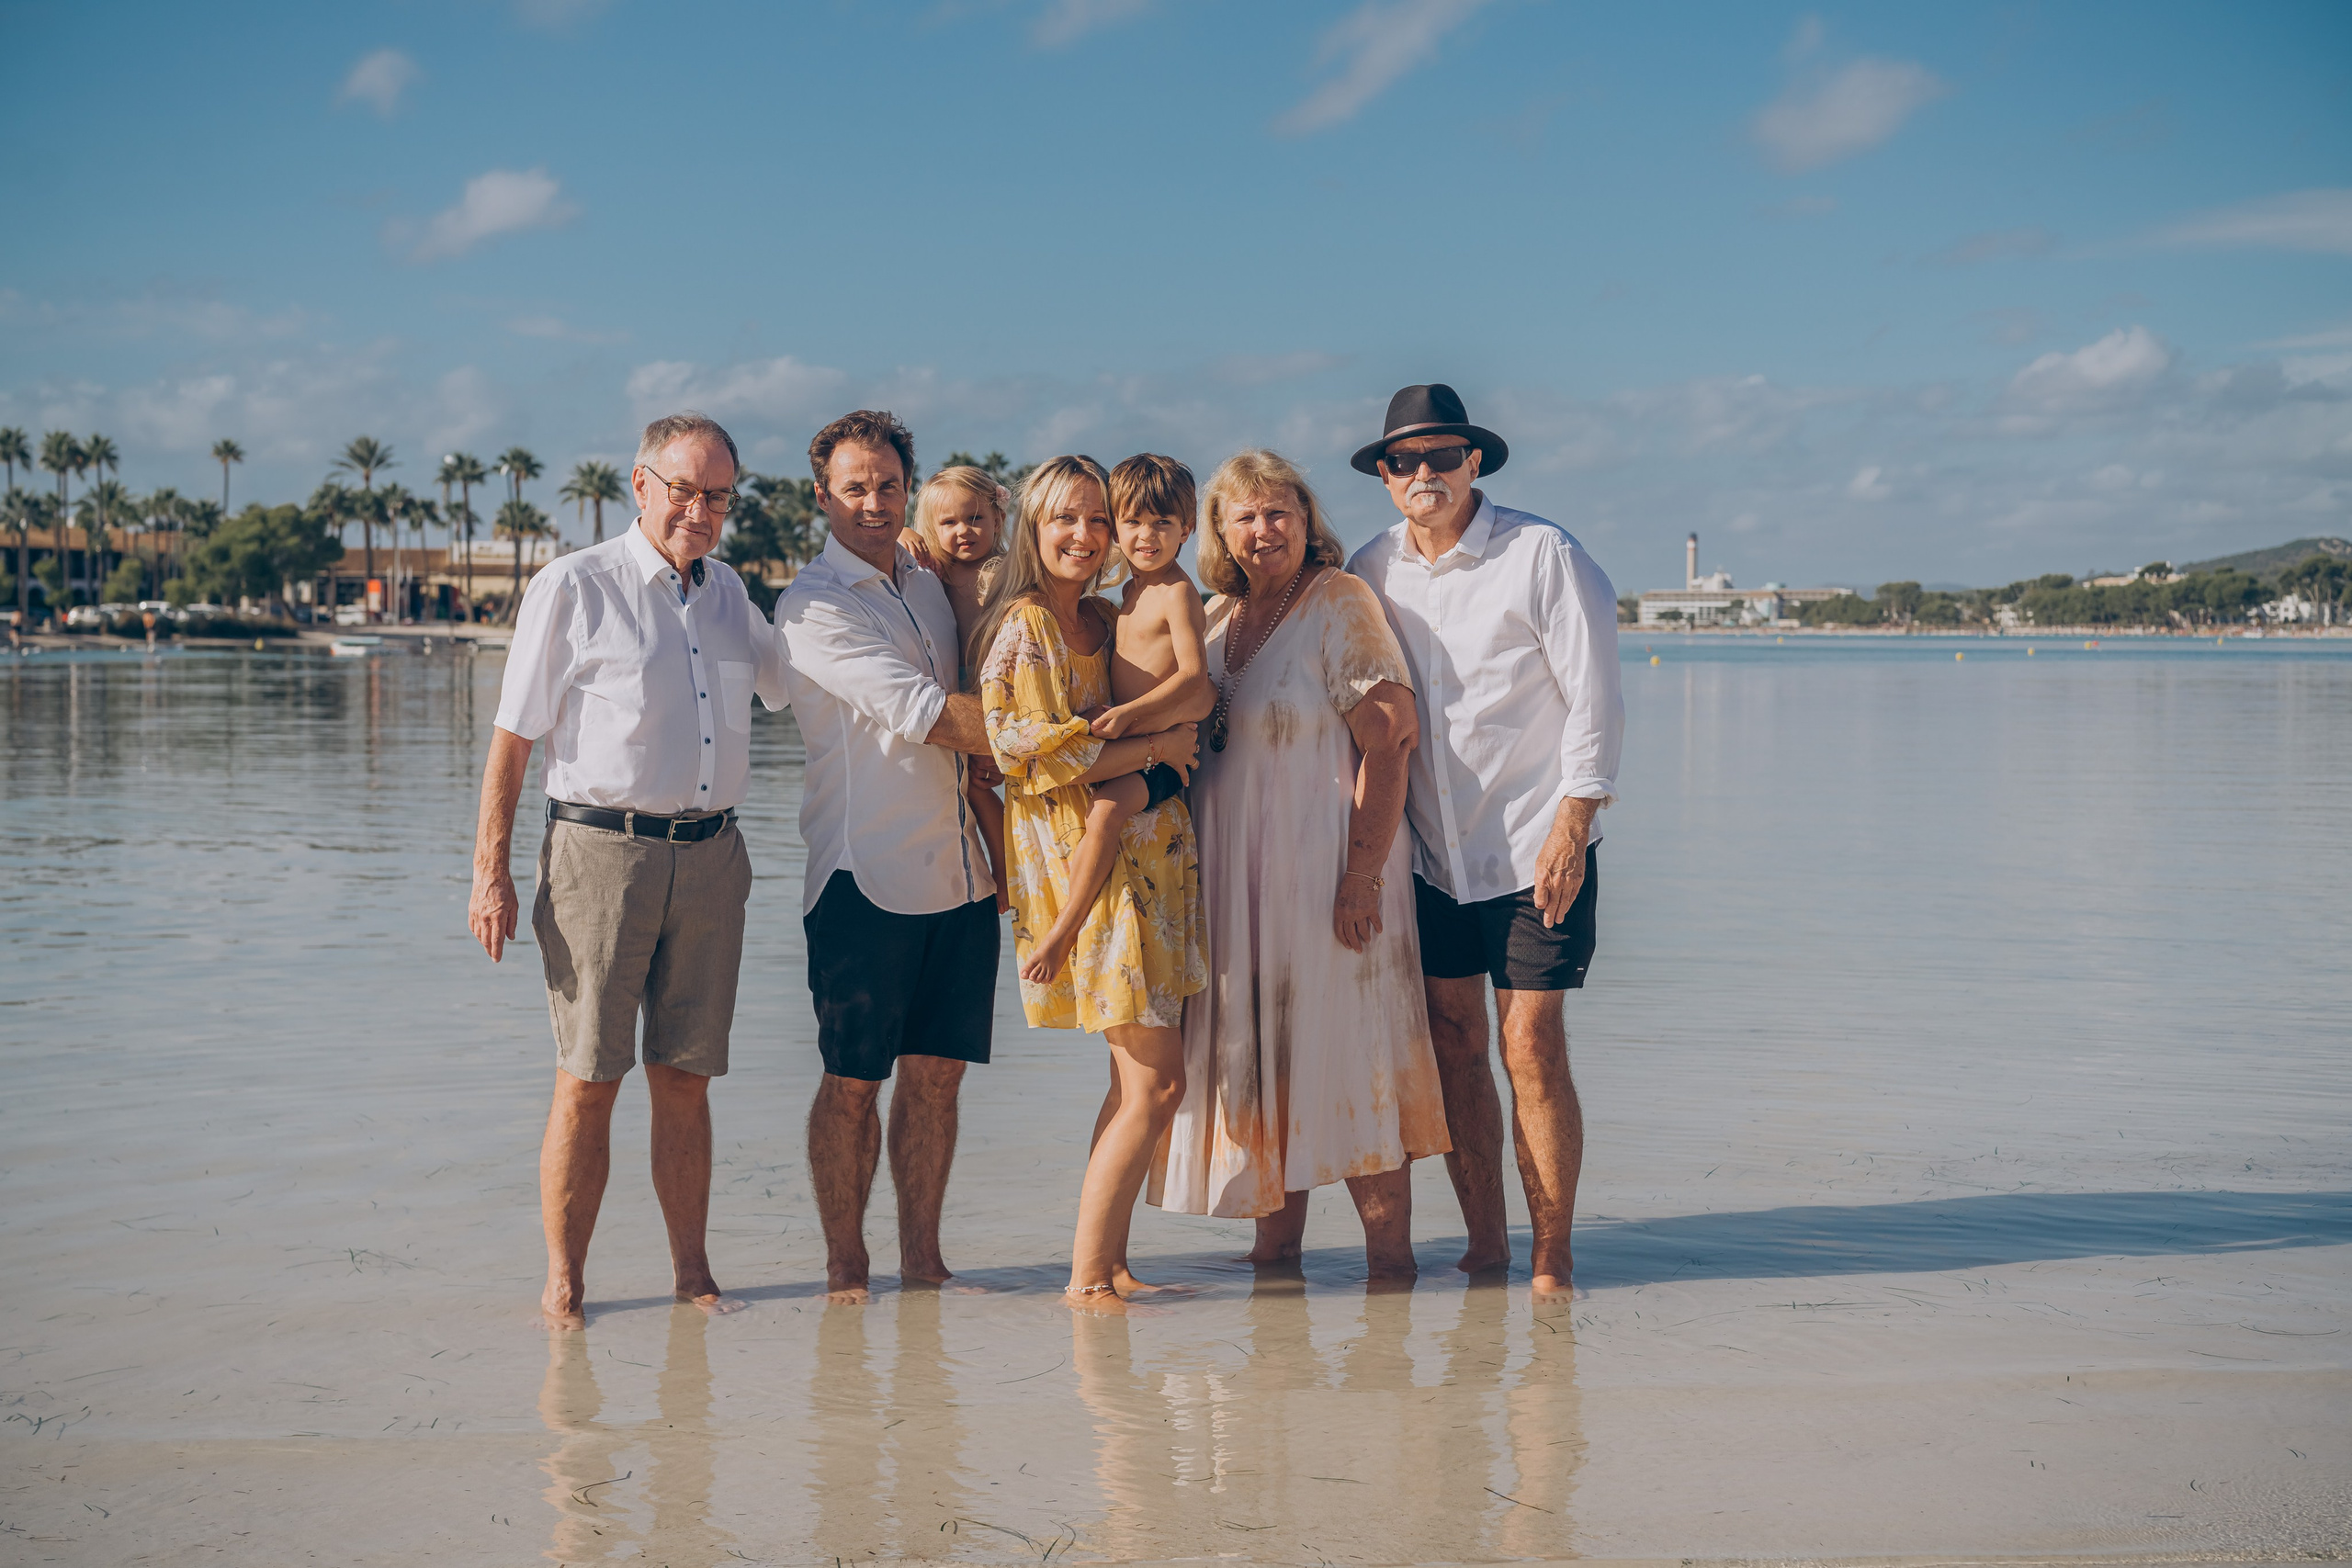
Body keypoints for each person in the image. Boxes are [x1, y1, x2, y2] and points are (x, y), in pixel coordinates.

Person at [467, 410, 786, 1330]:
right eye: (683, 489)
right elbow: (513, 739)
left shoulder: (730, 592)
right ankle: (565, 1282)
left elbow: (795, 680)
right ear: (640, 485)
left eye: (717, 494)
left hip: (714, 859)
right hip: (597, 857)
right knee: (588, 1075)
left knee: (686, 1079)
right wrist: (491, 873)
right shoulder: (574, 585)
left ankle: (692, 1274)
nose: (700, 509)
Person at [1345, 384, 1624, 1298]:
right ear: (1383, 475)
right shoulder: (1369, 568)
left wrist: (1574, 827)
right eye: (1404, 460)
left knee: (1531, 1043)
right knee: (1456, 1040)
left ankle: (1552, 1254)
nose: (1423, 474)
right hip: (1427, 855)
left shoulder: (1541, 554)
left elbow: (1594, 696)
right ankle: (1485, 1247)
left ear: (1474, 462)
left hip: (1533, 842)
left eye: (1442, 457)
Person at [1156, 449, 1448, 1279]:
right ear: (1217, 531)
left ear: (1307, 517)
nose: (1263, 528)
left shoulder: (1338, 601)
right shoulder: (1213, 618)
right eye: (1243, 515)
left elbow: (1391, 734)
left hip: (1329, 885)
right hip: (1239, 897)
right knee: (1266, 1073)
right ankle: (1273, 1295)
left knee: (1353, 1068)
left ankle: (1392, 1282)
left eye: (1278, 510)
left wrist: (1360, 876)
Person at [775, 410, 1001, 1304]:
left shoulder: (933, 582)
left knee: (938, 1081)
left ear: (910, 487)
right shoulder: (812, 609)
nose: (872, 502)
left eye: (888, 485)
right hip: (861, 879)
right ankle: (845, 1267)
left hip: (962, 874)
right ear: (822, 494)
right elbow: (932, 715)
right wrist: (1093, 738)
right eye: (854, 487)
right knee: (852, 1083)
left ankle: (924, 1263)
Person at [973, 454, 1205, 1307]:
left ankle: (1106, 1262)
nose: (1084, 535)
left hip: (1142, 854)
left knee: (1130, 1078)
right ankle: (1083, 1280)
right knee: (1158, 1081)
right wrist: (1153, 748)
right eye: (1064, 519)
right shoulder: (1025, 627)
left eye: (1096, 519)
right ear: (1034, 529)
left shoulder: (1103, 617)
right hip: (1080, 861)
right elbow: (1020, 749)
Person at [1018, 454, 1215, 984]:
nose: (1145, 536)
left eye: (1162, 524)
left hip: (1163, 753)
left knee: (1105, 812)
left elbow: (1195, 678)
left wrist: (1130, 716)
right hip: (1143, 744)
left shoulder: (1176, 593)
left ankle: (1062, 934)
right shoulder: (1124, 595)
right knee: (1101, 814)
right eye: (1131, 521)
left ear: (1187, 529)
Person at [902, 464, 1014, 913]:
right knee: (974, 788)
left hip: (1004, 687)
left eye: (975, 519)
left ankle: (1010, 869)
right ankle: (999, 870)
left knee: (993, 782)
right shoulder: (934, 573)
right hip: (961, 692)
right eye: (948, 523)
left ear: (998, 521)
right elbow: (897, 548)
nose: (963, 531)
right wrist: (904, 534)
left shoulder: (1005, 570)